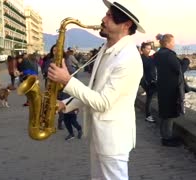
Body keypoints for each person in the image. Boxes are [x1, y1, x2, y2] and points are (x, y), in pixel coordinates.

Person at [48, 0, 145, 179]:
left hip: (113, 140)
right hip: (100, 136)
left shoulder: (128, 58)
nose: (103, 19)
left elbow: (103, 102)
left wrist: (67, 81)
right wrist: (64, 104)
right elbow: (95, 90)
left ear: (126, 24)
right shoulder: (107, 49)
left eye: (109, 16)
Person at [153, 34, 190, 147]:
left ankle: (165, 136)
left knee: (165, 113)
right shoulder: (169, 55)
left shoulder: (158, 54)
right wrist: (187, 61)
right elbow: (179, 70)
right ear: (168, 43)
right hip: (170, 88)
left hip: (163, 87)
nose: (174, 44)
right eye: (173, 42)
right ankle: (167, 138)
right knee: (169, 113)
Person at [140, 42, 157, 123]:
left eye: (150, 49)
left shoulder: (149, 57)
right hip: (147, 81)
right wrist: (145, 82)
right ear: (142, 49)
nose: (149, 50)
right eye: (147, 48)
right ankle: (148, 115)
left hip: (152, 80)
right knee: (150, 97)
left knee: (151, 97)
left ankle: (149, 114)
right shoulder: (141, 58)